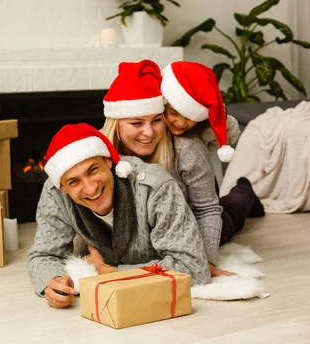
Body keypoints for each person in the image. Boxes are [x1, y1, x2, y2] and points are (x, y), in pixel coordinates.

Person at [100, 60, 262, 277]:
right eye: (137, 123)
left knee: (231, 212)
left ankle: (245, 191)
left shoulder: (185, 147)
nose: (148, 133)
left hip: (194, 214)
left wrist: (206, 261)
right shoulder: (102, 155)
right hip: (154, 234)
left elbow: (207, 209)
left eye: (156, 120)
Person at [27, 123, 211, 309]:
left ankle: (241, 190)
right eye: (74, 182)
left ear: (108, 161)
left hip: (188, 216)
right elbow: (43, 255)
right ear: (63, 188)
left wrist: (115, 273)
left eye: (93, 170)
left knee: (230, 218)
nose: (91, 188)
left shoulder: (155, 186)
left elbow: (194, 269)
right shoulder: (54, 193)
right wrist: (53, 281)